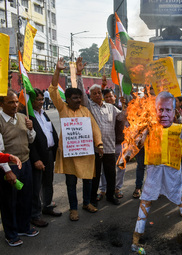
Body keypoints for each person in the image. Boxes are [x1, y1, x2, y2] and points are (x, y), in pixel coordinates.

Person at [132, 91, 182, 251]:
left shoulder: (180, 129)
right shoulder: (149, 128)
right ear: (155, 110)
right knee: (144, 204)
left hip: (174, 178)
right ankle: (136, 237)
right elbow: (135, 146)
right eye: (160, 110)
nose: (164, 114)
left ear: (174, 111)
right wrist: (136, 140)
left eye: (168, 110)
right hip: (153, 177)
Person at [49, 58, 103, 221]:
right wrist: (57, 71)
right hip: (70, 155)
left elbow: (94, 128)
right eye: (75, 98)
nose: (78, 101)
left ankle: (86, 203)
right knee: (71, 184)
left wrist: (99, 144)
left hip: (85, 153)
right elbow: (52, 90)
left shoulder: (85, 111)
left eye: (79, 98)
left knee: (87, 180)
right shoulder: (62, 108)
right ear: (67, 99)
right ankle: (73, 209)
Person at [76, 57, 121, 207]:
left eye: (98, 93)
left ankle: (110, 195)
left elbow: (121, 116)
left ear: (101, 94)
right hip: (95, 148)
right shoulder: (89, 106)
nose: (97, 95)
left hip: (109, 147)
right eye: (94, 93)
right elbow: (81, 91)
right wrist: (79, 75)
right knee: (95, 175)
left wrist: (131, 107)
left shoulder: (110, 107)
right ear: (90, 95)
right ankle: (92, 198)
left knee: (111, 174)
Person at [0, 89, 38, 247]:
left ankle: (23, 227)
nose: (15, 105)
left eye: (16, 102)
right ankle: (11, 234)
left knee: (25, 198)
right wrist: (7, 171)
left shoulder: (23, 117)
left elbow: (30, 140)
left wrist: (31, 129)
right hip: (8, 167)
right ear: (1, 104)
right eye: (11, 102)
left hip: (25, 163)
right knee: (9, 202)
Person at [29, 88, 61, 228]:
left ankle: (47, 206)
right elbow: (29, 143)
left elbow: (52, 131)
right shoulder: (28, 117)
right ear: (31, 101)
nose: (41, 102)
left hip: (49, 154)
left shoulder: (45, 113)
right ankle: (34, 215)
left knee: (48, 182)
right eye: (38, 100)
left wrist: (58, 149)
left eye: (42, 99)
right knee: (36, 186)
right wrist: (36, 159)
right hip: (37, 157)